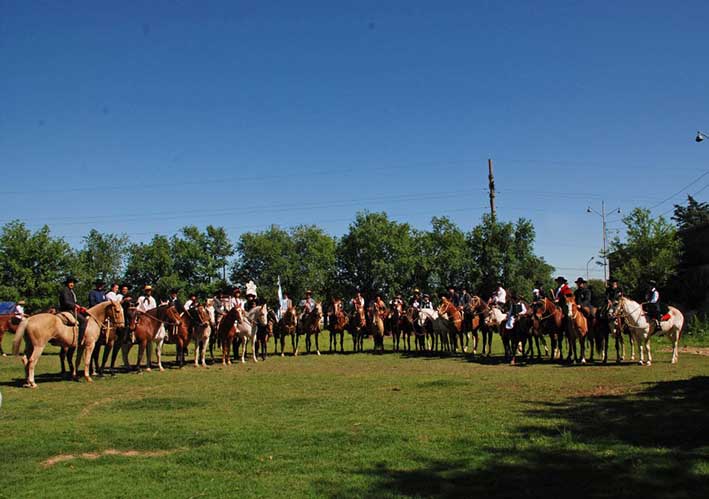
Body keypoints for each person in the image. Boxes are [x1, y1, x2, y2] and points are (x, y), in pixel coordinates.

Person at [58, 276, 87, 342]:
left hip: (72, 309)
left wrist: (81, 306)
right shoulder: (65, 290)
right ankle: (80, 339)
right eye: (70, 283)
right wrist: (74, 305)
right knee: (84, 321)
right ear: (67, 283)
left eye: (73, 283)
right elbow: (66, 301)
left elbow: (75, 302)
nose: (72, 284)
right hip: (67, 310)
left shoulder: (71, 291)